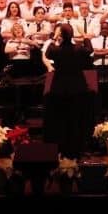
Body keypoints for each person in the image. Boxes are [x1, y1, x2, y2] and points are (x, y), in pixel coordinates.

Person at [44, 23, 93, 157]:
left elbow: (47, 53)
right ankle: (76, 148)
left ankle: (62, 147)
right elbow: (89, 50)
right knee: (76, 118)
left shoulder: (56, 50)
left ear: (60, 35)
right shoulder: (78, 49)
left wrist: (54, 38)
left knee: (61, 119)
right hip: (77, 88)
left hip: (59, 88)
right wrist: (85, 36)